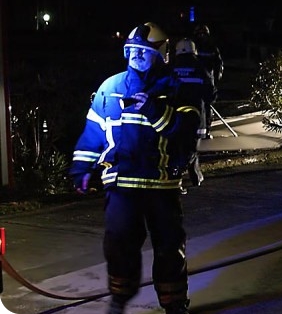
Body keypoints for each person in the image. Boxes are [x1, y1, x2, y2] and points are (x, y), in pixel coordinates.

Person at [70, 22, 201, 314]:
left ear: (161, 54)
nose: (136, 58)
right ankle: (119, 299)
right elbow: (93, 133)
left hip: (162, 186)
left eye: (143, 52)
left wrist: (153, 110)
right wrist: (81, 169)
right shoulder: (110, 88)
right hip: (121, 185)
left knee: (169, 247)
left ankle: (174, 304)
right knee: (119, 244)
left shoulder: (178, 89)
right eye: (131, 51)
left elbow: (184, 133)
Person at [171, 38, 216, 190]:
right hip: (196, 115)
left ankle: (192, 175)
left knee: (177, 146)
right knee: (192, 147)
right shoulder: (200, 66)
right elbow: (210, 92)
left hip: (174, 116)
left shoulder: (171, 67)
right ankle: (188, 175)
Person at [192, 24, 223, 138]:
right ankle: (197, 129)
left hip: (207, 80)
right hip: (197, 80)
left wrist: (216, 77)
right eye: (199, 34)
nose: (201, 36)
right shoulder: (194, 47)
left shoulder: (212, 48)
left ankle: (206, 129)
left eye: (203, 34)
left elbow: (219, 64)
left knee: (207, 107)